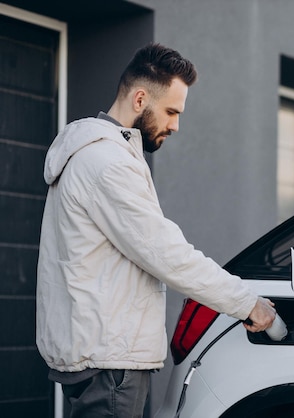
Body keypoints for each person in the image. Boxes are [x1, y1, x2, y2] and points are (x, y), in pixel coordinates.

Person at [36, 43, 276, 417]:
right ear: (140, 98)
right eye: (171, 112)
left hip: (99, 355)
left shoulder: (95, 155)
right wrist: (247, 303)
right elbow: (168, 255)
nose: (176, 125)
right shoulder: (107, 163)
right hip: (112, 364)